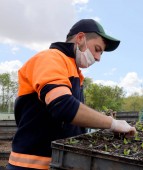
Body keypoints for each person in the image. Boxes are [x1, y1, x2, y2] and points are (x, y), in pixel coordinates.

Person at [7, 19, 136, 170]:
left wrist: (97, 122)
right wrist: (111, 123)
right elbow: (63, 106)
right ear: (80, 38)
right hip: (32, 163)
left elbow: (70, 117)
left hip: (57, 161)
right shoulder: (50, 58)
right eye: (97, 49)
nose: (98, 58)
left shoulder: (74, 72)